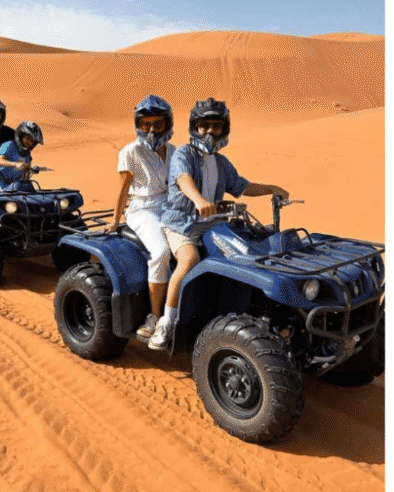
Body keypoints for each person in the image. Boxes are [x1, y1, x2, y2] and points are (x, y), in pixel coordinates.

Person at [149, 98, 288, 351]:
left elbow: (242, 186)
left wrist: (271, 188)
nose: (210, 132)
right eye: (204, 126)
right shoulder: (184, 154)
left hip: (213, 224)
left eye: (216, 126)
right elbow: (183, 179)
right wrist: (199, 199)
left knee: (248, 250)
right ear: (195, 127)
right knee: (189, 259)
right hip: (182, 225)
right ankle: (166, 322)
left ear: (224, 130)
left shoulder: (222, 163)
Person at [104, 96, 177, 340]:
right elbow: (122, 190)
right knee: (161, 252)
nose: (152, 130)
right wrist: (116, 220)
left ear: (168, 124)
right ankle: (155, 316)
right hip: (142, 210)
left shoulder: (174, 151)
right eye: (146, 124)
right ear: (138, 124)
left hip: (171, 208)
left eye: (158, 124)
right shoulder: (130, 152)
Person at [0, 120, 43, 193]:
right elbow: (0, 161)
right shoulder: (9, 145)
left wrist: (30, 169)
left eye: (32, 141)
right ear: (21, 136)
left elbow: (25, 175)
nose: (30, 143)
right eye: (28, 139)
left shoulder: (27, 155)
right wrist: (16, 164)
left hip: (13, 183)